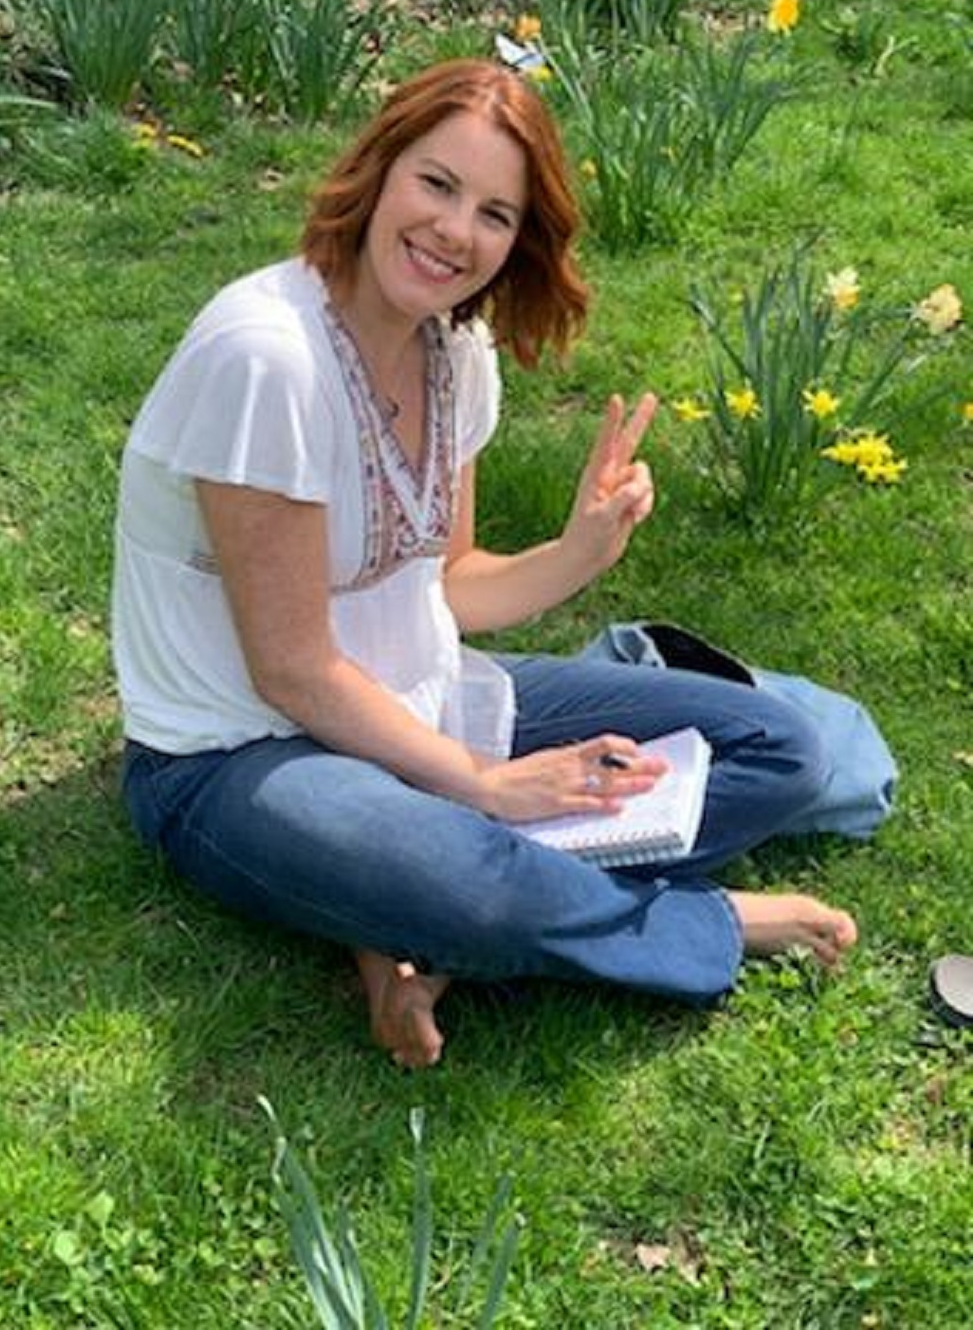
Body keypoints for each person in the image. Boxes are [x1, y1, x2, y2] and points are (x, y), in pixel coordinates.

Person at [113, 59, 857, 1070]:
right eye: (436, 184)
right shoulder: (265, 360)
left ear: (518, 243)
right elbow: (289, 668)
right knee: (473, 882)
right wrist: (481, 783)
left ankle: (400, 924)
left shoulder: (452, 354)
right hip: (237, 754)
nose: (455, 232)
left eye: (495, 213)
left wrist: (579, 551)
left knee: (781, 749)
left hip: (418, 696)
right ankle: (692, 921)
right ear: (378, 171)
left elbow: (452, 585)